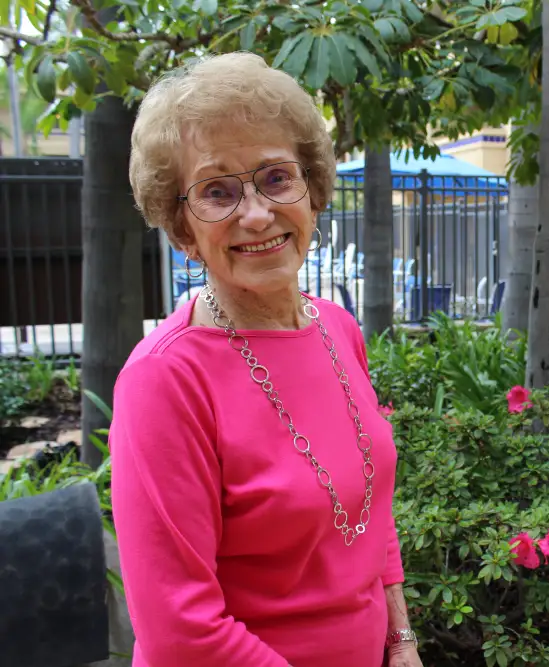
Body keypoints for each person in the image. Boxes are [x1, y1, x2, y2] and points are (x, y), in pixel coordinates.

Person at [108, 52, 421, 667]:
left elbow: (368, 508)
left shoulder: (337, 328)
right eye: (217, 191)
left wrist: (401, 639)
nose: (256, 214)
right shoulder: (164, 380)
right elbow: (181, 633)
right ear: (182, 228)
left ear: (312, 190)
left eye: (276, 178)